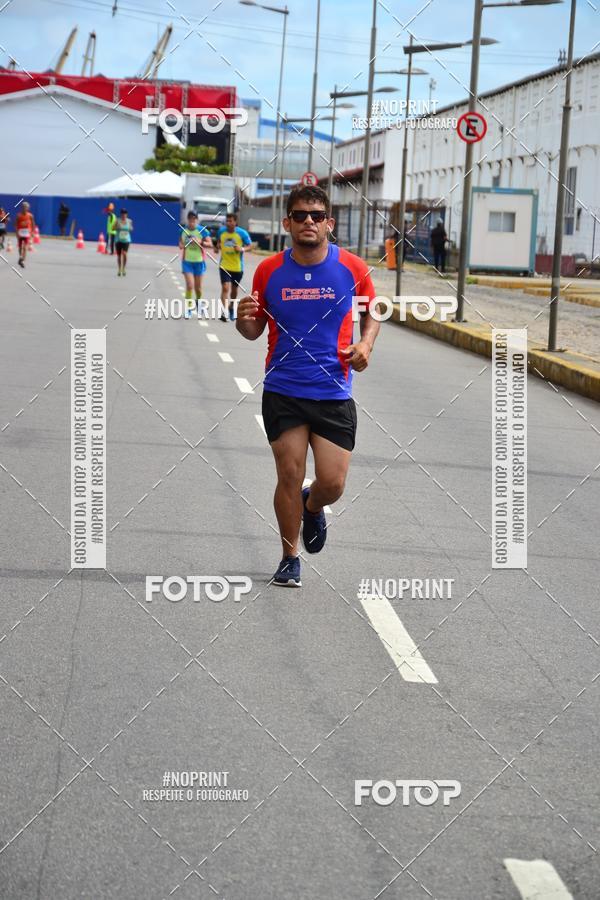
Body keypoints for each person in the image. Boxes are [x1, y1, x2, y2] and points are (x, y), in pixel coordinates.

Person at [236, 185, 380, 588]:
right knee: (288, 474)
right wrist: (241, 318)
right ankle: (289, 557)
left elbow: (372, 315)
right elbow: (252, 330)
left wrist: (365, 345)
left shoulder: (352, 268)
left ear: (329, 223)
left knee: (332, 483)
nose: (309, 222)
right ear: (288, 223)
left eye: (317, 216)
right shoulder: (268, 271)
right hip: (283, 389)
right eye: (300, 216)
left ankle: (312, 506)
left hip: (333, 391)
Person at [217, 213, 252, 321]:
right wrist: (216, 247)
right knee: (225, 288)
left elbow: (250, 246)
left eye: (231, 221)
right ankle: (224, 312)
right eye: (227, 221)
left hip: (237, 267)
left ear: (235, 222)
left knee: (234, 290)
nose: (228, 223)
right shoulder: (221, 232)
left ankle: (231, 308)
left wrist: (241, 249)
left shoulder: (242, 233)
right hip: (224, 265)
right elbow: (218, 242)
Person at [179, 211, 212, 317]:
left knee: (198, 288)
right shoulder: (183, 230)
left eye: (194, 220)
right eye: (190, 220)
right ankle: (188, 309)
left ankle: (198, 303)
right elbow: (180, 243)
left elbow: (210, 244)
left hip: (199, 262)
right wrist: (182, 244)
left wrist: (200, 242)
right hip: (187, 261)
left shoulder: (202, 230)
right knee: (189, 286)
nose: (192, 222)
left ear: (196, 220)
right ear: (187, 220)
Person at [15, 202, 35, 268]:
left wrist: (32, 232)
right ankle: (20, 256)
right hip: (20, 232)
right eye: (23, 207)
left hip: (27, 233)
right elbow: (15, 224)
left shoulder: (30, 216)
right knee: (20, 246)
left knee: (25, 247)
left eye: (26, 207)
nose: (24, 208)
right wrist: (17, 232)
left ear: (28, 208)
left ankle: (23, 260)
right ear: (21, 208)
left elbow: (33, 224)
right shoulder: (19, 215)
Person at [115, 208, 133, 276]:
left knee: (125, 254)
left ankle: (123, 268)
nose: (124, 215)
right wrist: (117, 227)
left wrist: (130, 228)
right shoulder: (117, 220)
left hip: (126, 240)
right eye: (122, 213)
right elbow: (113, 228)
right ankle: (119, 269)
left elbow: (131, 229)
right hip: (118, 240)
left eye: (125, 213)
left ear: (126, 214)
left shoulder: (129, 221)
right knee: (119, 255)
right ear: (121, 214)